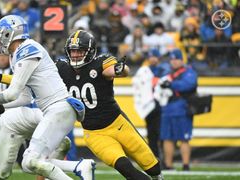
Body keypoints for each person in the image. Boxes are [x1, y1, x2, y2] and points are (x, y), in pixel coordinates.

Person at [0, 15, 95, 180]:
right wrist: (2, 108)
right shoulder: (16, 55)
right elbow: (24, 98)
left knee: (30, 161)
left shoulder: (27, 49)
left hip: (59, 108)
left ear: (10, 33)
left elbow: (12, 92)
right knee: (13, 168)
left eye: (1, 34)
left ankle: (79, 167)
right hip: (49, 110)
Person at [56, 30, 163, 179]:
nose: (75, 55)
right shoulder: (62, 68)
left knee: (152, 166)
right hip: (94, 134)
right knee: (125, 168)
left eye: (79, 51)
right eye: (72, 51)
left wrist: (120, 70)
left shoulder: (100, 62)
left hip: (118, 124)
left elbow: (115, 70)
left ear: (90, 51)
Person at [156, 49, 198, 171]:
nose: (174, 61)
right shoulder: (167, 72)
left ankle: (186, 165)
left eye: (176, 59)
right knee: (167, 138)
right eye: (172, 59)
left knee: (184, 138)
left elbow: (189, 84)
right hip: (167, 109)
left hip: (182, 108)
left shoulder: (188, 71)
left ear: (181, 60)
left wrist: (171, 84)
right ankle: (168, 165)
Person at [133, 48, 169, 158]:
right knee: (151, 134)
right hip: (149, 106)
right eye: (151, 56)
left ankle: (165, 158)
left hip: (162, 105)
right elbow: (137, 85)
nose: (153, 59)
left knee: (162, 133)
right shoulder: (144, 71)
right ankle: (155, 157)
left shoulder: (163, 70)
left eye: (155, 56)